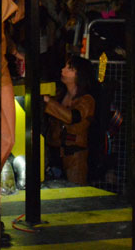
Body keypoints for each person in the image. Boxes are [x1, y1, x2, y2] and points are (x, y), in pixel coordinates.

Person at [42, 55, 97, 185]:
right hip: (54, 156)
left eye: (69, 68)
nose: (63, 70)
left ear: (80, 75)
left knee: (75, 192)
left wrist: (48, 101)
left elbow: (72, 117)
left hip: (75, 158)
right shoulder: (59, 94)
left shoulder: (87, 101)